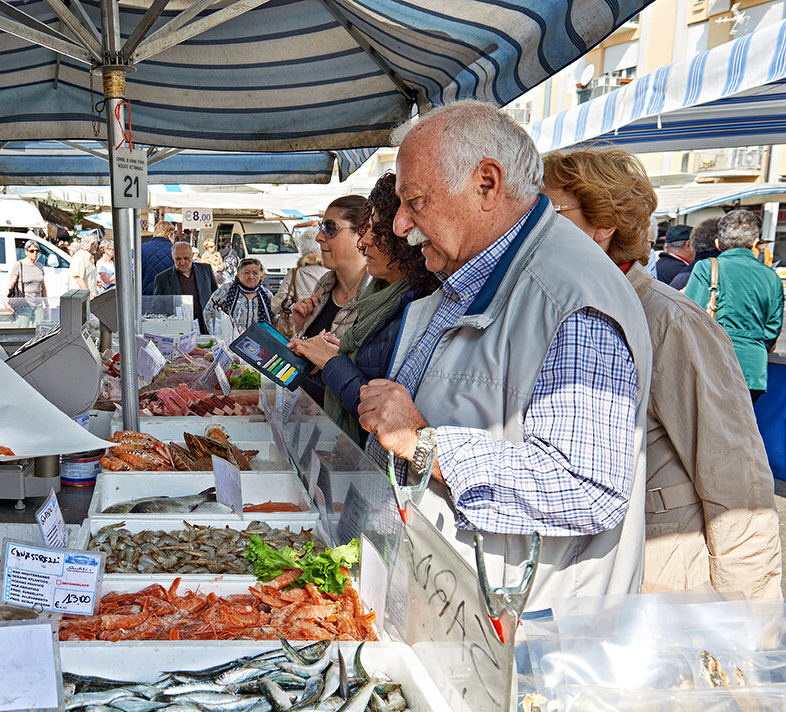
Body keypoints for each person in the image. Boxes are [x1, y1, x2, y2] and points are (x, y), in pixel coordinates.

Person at [356, 101, 652, 610]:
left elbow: (587, 487)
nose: (401, 224)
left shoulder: (569, 296)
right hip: (452, 606)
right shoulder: (465, 279)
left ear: (487, 185)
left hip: (523, 637)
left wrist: (426, 444)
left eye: (415, 200)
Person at [543, 146, 781, 599]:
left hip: (661, 583)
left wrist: (750, 624)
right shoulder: (556, 308)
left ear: (604, 224)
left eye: (549, 210)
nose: (532, 226)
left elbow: (736, 480)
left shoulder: (670, 320)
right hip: (585, 579)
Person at [289, 173, 438, 443]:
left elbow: (379, 409)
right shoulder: (376, 298)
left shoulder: (416, 311)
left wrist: (331, 362)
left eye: (375, 230)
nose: (365, 241)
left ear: (406, 238)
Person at [682, 211, 784, 401]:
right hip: (752, 369)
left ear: (718, 243)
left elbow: (689, 317)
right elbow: (771, 331)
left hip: (712, 362)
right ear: (755, 242)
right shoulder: (772, 278)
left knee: (707, 426)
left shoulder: (706, 268)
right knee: (742, 426)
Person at [290, 196, 371, 405]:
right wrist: (300, 328)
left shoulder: (378, 296)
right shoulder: (324, 284)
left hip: (345, 427)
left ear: (363, 234)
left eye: (329, 228)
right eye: (321, 227)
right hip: (308, 413)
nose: (318, 237)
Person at [151, 241, 219, 334]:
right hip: (178, 330)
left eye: (186, 258)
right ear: (173, 258)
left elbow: (216, 296)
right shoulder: (162, 279)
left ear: (192, 256)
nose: (182, 262)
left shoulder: (206, 270)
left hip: (205, 327)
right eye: (178, 259)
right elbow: (157, 310)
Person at [271, 239, 328, 338]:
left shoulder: (294, 273)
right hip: (326, 330)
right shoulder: (331, 273)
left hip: (301, 329)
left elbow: (276, 306)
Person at [203, 257, 274, 331]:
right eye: (247, 273)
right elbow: (208, 311)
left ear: (260, 275)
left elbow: (275, 319)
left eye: (255, 273)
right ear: (239, 274)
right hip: (231, 340)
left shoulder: (266, 295)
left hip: (260, 340)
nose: (251, 277)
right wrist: (217, 333)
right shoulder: (226, 290)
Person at [6, 239, 49, 325]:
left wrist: (47, 304)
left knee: (40, 332)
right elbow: (11, 285)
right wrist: (6, 301)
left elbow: (43, 287)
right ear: (26, 252)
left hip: (38, 304)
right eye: (32, 251)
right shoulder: (19, 265)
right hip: (24, 304)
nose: (35, 253)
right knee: (22, 331)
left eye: (37, 251)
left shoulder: (39, 266)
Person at [141, 221, 177, 294]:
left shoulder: (141, 249)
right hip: (170, 297)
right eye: (174, 236)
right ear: (170, 235)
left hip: (146, 298)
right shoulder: (176, 251)